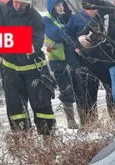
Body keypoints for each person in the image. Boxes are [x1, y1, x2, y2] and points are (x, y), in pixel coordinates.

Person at [0, 0, 56, 136]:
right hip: (11, 71)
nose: (17, 5)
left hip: (34, 70)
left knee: (42, 105)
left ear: (28, 4)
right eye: (15, 2)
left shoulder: (35, 17)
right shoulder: (0, 12)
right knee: (15, 108)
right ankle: (23, 141)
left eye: (21, 3)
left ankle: (48, 140)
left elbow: (34, 43)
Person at [43, 0, 82, 128]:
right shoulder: (47, 19)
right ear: (52, 7)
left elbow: (77, 32)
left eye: (62, 5)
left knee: (80, 91)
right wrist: (70, 29)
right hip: (58, 61)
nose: (61, 7)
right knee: (67, 91)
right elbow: (58, 34)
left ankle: (85, 120)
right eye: (58, 5)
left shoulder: (65, 18)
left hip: (72, 59)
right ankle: (71, 122)